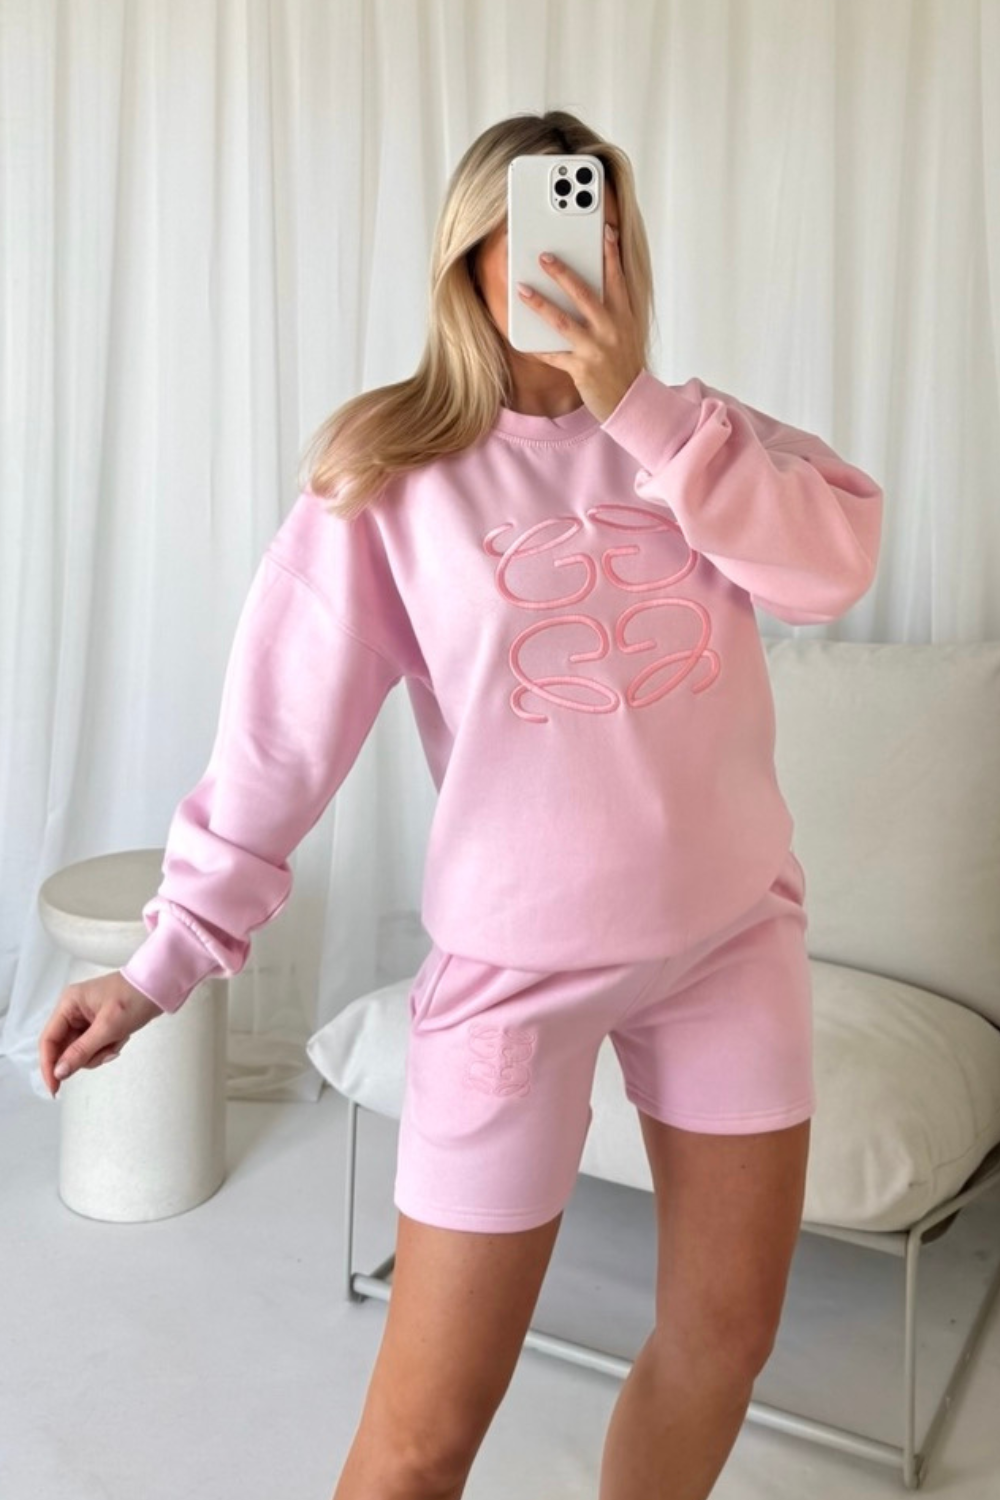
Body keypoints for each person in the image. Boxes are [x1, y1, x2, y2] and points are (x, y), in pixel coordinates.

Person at [38, 110, 883, 1500]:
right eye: (535, 225)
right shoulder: (391, 479)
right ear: (467, 261)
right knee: (423, 1442)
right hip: (514, 981)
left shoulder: (701, 439)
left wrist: (641, 411)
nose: (572, 255)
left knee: (726, 1342)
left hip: (731, 943)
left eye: (599, 221)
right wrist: (158, 964)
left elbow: (833, 565)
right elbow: (278, 744)